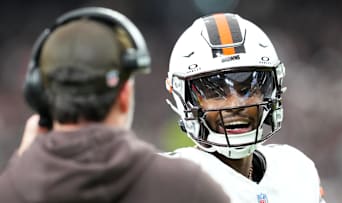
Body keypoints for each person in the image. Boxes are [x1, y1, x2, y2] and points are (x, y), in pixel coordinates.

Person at [0, 7, 230, 203]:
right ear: (124, 95)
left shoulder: (11, 191)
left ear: (39, 95)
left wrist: (22, 167)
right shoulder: (189, 187)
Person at [164, 13, 326, 203]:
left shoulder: (296, 170)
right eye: (216, 93)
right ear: (183, 96)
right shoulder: (168, 181)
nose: (235, 104)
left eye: (248, 89)